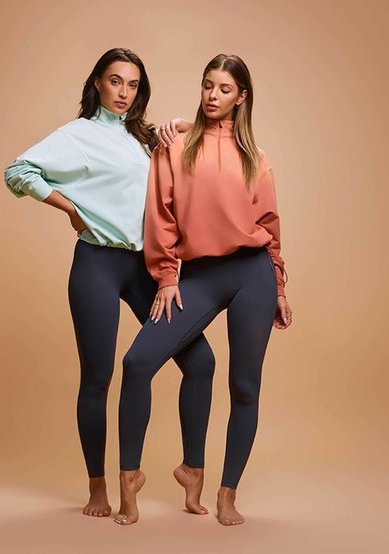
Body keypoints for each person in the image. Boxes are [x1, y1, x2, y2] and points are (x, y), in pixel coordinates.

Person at [4, 48, 215, 519]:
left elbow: (189, 161)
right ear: (98, 82)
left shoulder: (143, 138)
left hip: (146, 268)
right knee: (97, 379)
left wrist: (183, 125)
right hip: (97, 265)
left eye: (133, 84)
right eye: (116, 81)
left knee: (200, 361)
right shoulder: (77, 135)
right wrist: (70, 208)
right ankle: (98, 487)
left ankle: (191, 470)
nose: (124, 92)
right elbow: (17, 171)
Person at [116, 54, 293, 526]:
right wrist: (166, 276)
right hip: (199, 275)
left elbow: (270, 227)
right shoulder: (174, 145)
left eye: (224, 89)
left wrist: (278, 285)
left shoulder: (256, 159)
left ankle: (225, 492)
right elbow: (160, 216)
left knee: (244, 387)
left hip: (253, 273)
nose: (213, 95)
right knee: (137, 363)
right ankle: (142, 477)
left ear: (241, 98)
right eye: (207, 85)